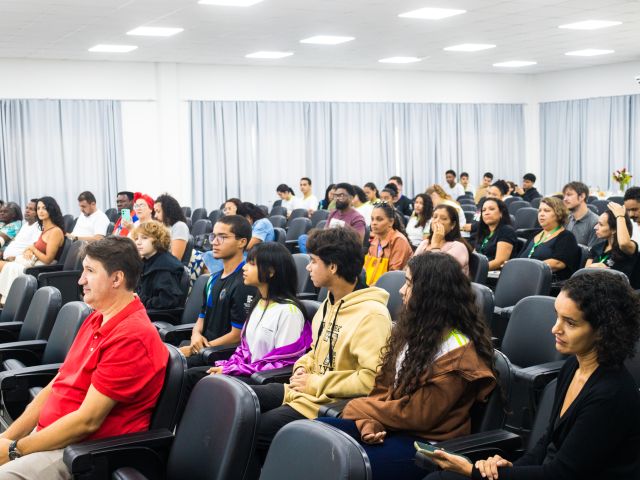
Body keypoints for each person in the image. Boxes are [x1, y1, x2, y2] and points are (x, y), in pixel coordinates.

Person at [424, 272, 640, 480]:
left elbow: (562, 474)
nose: (555, 329)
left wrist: (474, 472)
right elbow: (545, 446)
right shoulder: (572, 366)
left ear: (603, 330)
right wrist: (506, 469)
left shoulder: (611, 395)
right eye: (557, 317)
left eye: (570, 323)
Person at [0, 236, 168, 479]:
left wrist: (14, 450)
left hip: (79, 452)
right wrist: (9, 438)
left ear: (117, 278)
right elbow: (57, 383)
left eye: (89, 271)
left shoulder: (132, 336)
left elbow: (86, 422)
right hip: (50, 436)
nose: (81, 280)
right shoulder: (97, 316)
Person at [318, 253, 496, 479]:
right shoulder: (414, 334)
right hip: (391, 426)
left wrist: (357, 408)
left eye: (409, 284)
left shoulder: (458, 354)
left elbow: (417, 416)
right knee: (315, 434)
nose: (401, 291)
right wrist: (368, 423)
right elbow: (382, 390)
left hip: (426, 444)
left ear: (431, 295)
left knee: (343, 465)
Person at [247, 227, 392, 464]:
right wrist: (302, 367)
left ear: (333, 267)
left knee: (255, 429)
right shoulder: (328, 304)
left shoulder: (372, 315)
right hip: (303, 392)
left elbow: (370, 380)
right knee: (242, 403)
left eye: (313, 261)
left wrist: (314, 383)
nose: (308, 267)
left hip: (327, 404)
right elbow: (316, 350)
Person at [182, 243, 311, 397]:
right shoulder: (259, 303)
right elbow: (244, 350)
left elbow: (282, 364)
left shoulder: (289, 312)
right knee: (189, 374)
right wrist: (229, 367)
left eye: (252, 264)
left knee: (198, 379)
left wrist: (231, 371)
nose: (244, 267)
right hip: (247, 372)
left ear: (270, 272)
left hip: (264, 381)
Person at [179, 216, 257, 368]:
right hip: (205, 348)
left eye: (222, 237)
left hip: (223, 356)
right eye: (214, 236)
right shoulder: (213, 278)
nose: (214, 242)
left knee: (176, 369)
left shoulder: (245, 281)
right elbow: (201, 317)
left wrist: (198, 349)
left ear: (242, 242)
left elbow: (237, 336)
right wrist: (195, 335)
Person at [0, 197, 65, 305]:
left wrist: (33, 249)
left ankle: (5, 302)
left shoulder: (55, 231)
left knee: (4, 266)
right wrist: (29, 250)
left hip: (38, 269)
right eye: (38, 208)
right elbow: (34, 246)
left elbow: (48, 259)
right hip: (31, 264)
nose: (40, 211)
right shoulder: (45, 229)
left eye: (44, 208)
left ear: (51, 209)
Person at [203, 202, 275, 273]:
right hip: (246, 253)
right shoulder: (254, 224)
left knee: (211, 255)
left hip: (255, 256)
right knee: (208, 255)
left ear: (248, 217)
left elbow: (249, 245)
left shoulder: (263, 223)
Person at [518, 197, 580, 280]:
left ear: (559, 214)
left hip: (547, 282)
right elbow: (519, 258)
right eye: (539, 210)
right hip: (524, 277)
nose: (541, 214)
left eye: (546, 211)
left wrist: (527, 268)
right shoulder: (534, 235)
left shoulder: (566, 236)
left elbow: (558, 263)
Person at [132, 221, 186, 310]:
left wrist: (141, 300)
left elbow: (168, 300)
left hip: (157, 317)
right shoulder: (146, 261)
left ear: (158, 239)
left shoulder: (165, 266)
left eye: (144, 238)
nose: (138, 242)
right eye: (136, 238)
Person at [585, 203, 638, 284]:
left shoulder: (628, 248)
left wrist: (620, 216)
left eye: (601, 225)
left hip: (619, 293)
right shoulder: (596, 247)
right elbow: (584, 273)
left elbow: (623, 243)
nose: (595, 227)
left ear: (614, 229)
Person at [415, 204, 472, 276]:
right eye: (434, 217)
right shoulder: (425, 243)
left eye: (443, 218)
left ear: (453, 225)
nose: (437, 221)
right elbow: (411, 267)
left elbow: (440, 273)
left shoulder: (459, 247)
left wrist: (435, 245)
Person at [365, 202, 413, 285]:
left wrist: (370, 289)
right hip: (373, 287)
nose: (374, 223)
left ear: (391, 222)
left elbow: (393, 276)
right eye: (372, 219)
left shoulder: (398, 240)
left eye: (379, 219)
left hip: (392, 288)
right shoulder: (375, 240)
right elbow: (367, 269)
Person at [475, 198, 517, 270]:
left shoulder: (506, 231)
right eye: (483, 210)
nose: (486, 212)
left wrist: (477, 270)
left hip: (494, 275)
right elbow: (474, 254)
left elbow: (499, 261)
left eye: (491, 209)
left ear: (501, 213)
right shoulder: (484, 231)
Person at [0, 200, 40, 270]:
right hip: (6, 258)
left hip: (15, 261)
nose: (27, 211)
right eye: (26, 208)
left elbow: (33, 248)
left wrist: (16, 258)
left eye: (31, 209)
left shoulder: (38, 227)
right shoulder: (25, 225)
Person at [153, 194, 190, 261]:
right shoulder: (164, 226)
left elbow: (175, 259)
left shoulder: (180, 226)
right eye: (155, 212)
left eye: (158, 211)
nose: (155, 215)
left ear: (168, 211)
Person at [563, 182, 599, 247]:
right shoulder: (567, 219)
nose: (565, 199)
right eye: (564, 196)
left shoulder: (596, 222)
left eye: (569, 195)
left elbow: (593, 252)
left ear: (582, 196)